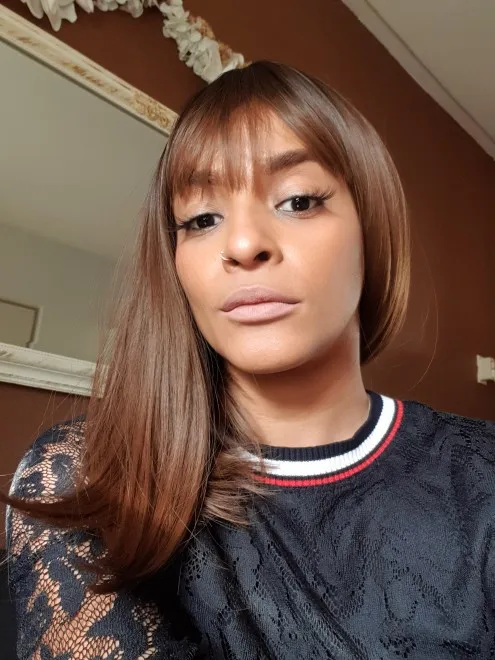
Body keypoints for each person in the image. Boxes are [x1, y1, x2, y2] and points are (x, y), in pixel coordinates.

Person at [5, 60, 495, 660]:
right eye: (202, 219)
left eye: (298, 201)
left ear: (372, 231)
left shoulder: (482, 473)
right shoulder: (86, 477)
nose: (241, 245)